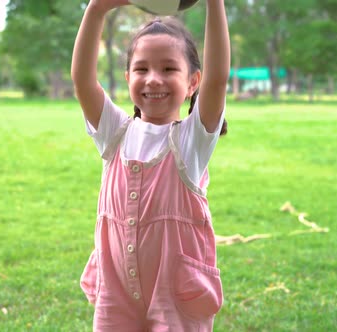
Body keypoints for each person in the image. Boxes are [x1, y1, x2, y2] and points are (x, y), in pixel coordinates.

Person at [71, 0, 230, 331]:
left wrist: (216, 3)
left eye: (169, 69)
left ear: (192, 82)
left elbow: (218, 80)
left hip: (175, 296)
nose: (154, 79)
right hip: (116, 294)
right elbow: (83, 81)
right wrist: (96, 9)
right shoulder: (113, 132)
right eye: (142, 69)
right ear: (128, 77)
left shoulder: (191, 141)